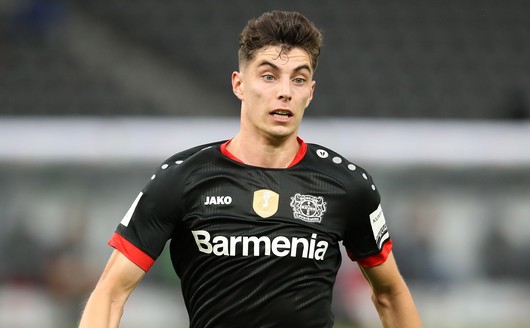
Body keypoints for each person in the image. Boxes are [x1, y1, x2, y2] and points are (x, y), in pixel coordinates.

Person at [79, 10, 422, 328]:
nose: (285, 92)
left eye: (299, 80)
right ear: (239, 84)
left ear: (311, 92)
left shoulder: (345, 184)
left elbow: (389, 293)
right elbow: (110, 293)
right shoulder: (182, 178)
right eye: (269, 76)